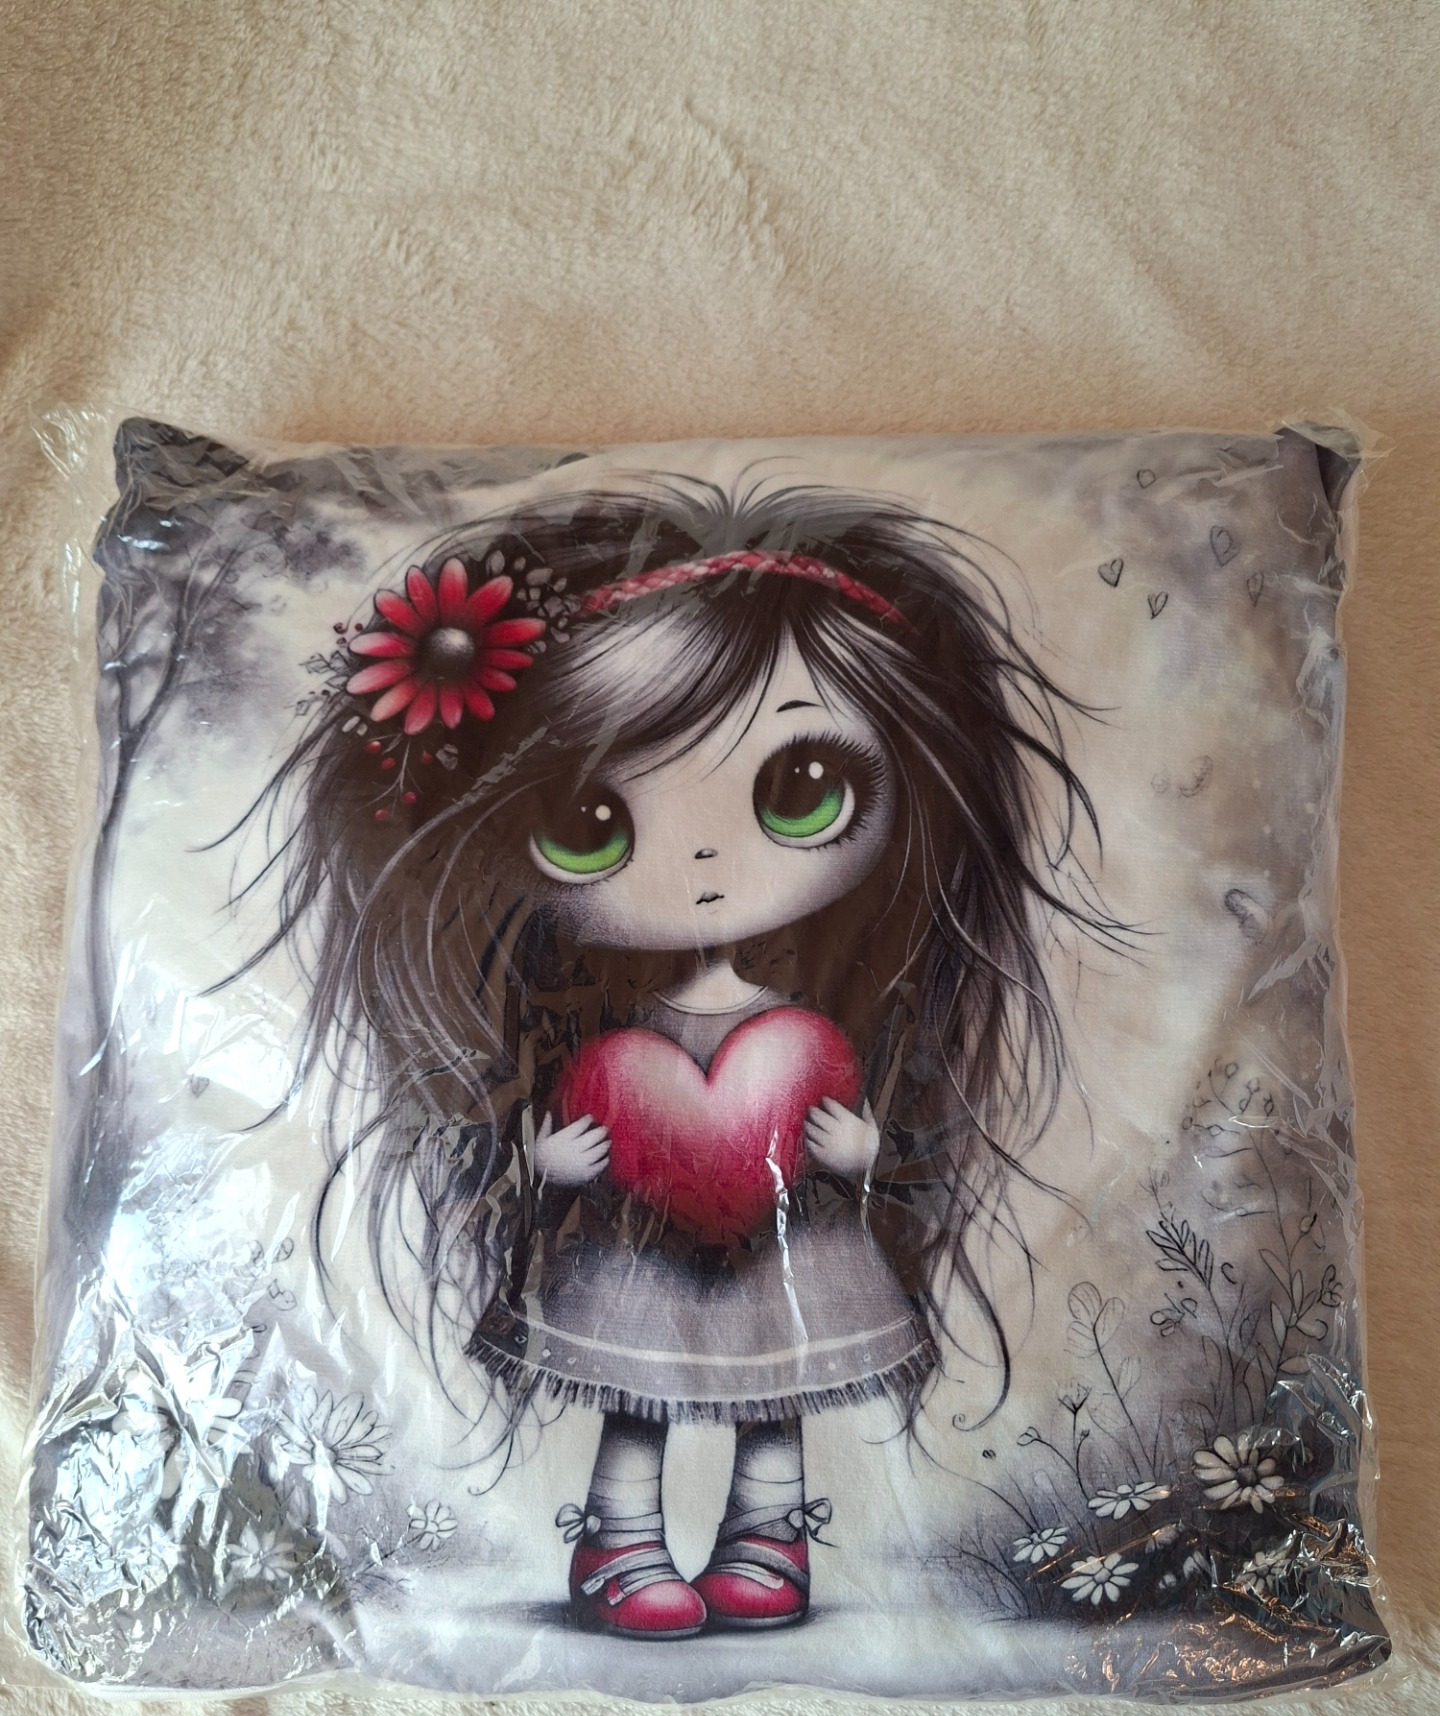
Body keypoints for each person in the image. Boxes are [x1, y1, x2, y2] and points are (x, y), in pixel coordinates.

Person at [253, 473, 1107, 1640]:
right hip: (638, 1241)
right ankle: (622, 1545)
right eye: (588, 824)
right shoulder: (601, 1043)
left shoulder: (815, 1027)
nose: (704, 867)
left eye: (801, 792)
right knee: (638, 1402)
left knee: (776, 1395)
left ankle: (767, 1541)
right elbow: (568, 1136)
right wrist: (550, 1163)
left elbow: (848, 1131)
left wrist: (861, 1149)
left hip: (788, 1236)